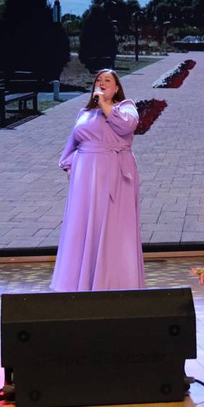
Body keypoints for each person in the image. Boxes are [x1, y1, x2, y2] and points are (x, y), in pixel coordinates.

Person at [51, 69, 145, 291]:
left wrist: (104, 104)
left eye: (107, 80)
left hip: (115, 172)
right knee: (83, 224)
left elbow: (126, 126)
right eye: (99, 80)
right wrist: (68, 165)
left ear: (116, 88)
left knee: (113, 224)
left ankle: (115, 282)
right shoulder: (85, 113)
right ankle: (79, 281)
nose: (102, 83)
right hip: (86, 174)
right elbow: (73, 141)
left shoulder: (126, 108)